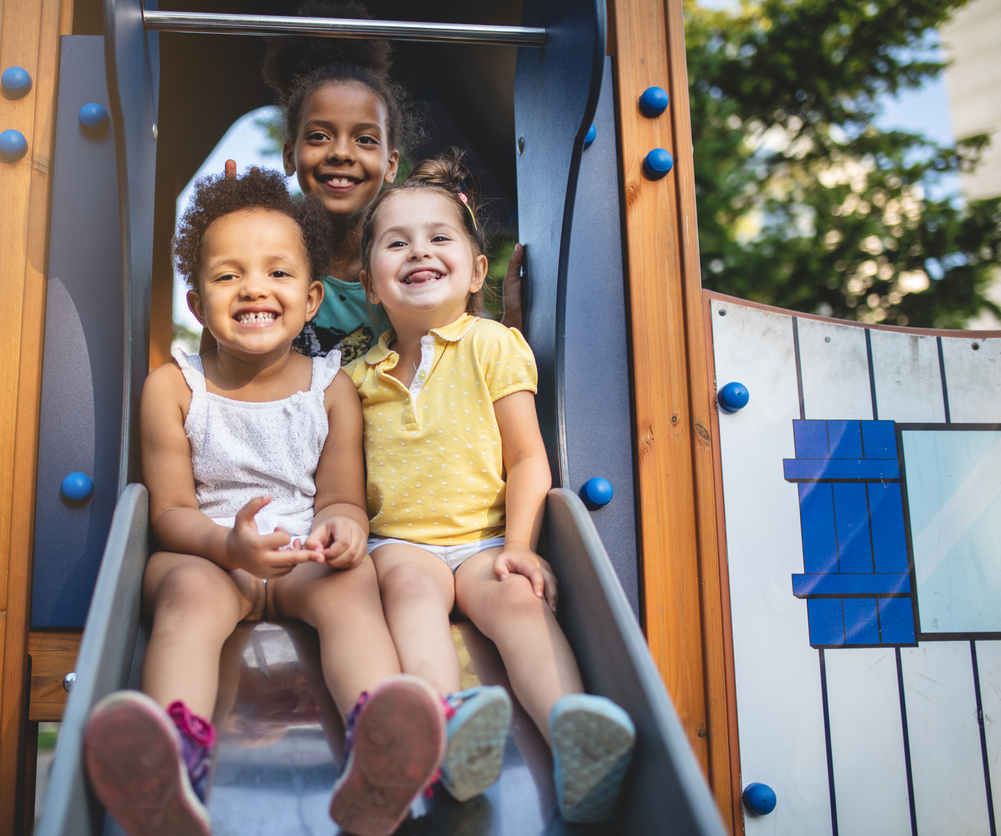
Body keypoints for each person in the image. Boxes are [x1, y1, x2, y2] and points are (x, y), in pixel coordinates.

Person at [82, 167, 445, 836]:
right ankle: (171, 761)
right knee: (185, 595)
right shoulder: (174, 388)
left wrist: (342, 529)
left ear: (310, 299)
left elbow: (342, 499)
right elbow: (170, 513)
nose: (253, 287)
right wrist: (228, 546)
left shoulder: (331, 388)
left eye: (277, 273)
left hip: (302, 551)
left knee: (353, 585)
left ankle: (380, 746)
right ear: (198, 305)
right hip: (210, 554)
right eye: (229, 276)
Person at [346, 153, 636, 823]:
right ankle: (447, 722)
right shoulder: (357, 377)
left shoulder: (493, 346)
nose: (420, 251)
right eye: (397, 243)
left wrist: (521, 546)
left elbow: (529, 459)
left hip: (484, 540)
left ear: (477, 271)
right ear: (370, 285)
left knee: (518, 600)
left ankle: (573, 736)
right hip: (402, 542)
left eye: (438, 237)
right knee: (409, 591)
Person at [245, 1, 526, 366]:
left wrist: (513, 321)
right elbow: (217, 363)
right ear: (289, 155)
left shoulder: (411, 264)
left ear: (391, 164)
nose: (341, 153)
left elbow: (463, 365)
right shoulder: (266, 257)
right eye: (318, 136)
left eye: (365, 139)